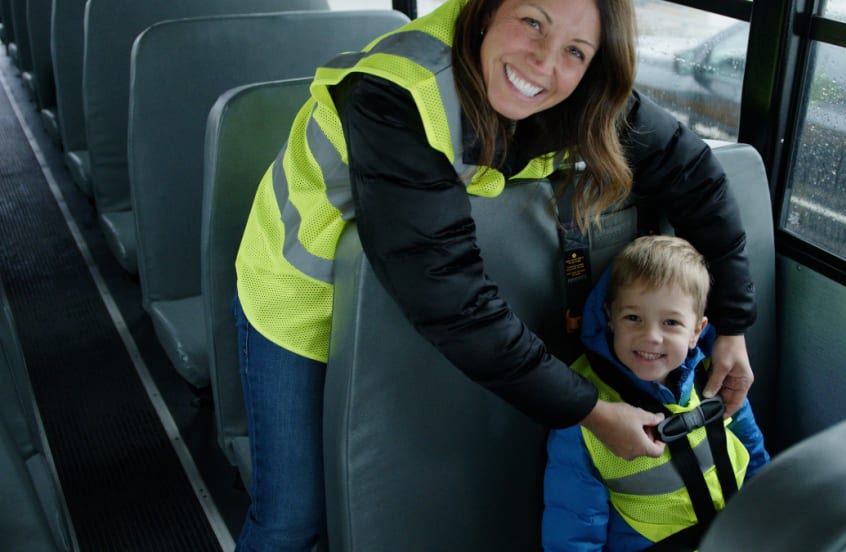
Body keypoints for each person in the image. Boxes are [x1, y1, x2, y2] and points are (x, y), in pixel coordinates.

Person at [233, 0, 757, 548]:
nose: (542, 62)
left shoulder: (585, 94)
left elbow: (696, 176)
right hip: (297, 301)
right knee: (293, 520)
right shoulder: (396, 94)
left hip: (406, 317)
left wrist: (732, 325)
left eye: (575, 51)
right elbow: (448, 294)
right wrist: (592, 411)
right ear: (484, 11)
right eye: (532, 22)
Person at [542, 235, 770, 551]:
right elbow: (574, 526)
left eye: (671, 322)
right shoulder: (584, 409)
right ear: (610, 317)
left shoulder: (714, 377)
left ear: (697, 331)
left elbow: (752, 450)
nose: (651, 337)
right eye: (633, 318)